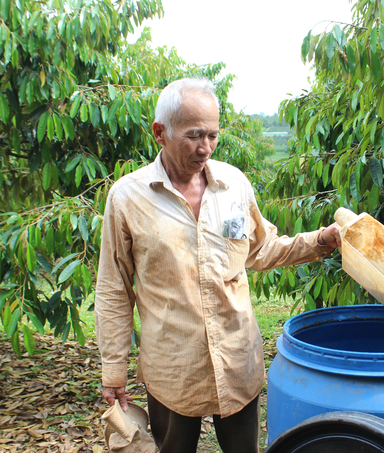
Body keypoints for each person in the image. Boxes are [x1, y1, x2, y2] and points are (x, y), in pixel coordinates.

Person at [95, 77, 341, 453]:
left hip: (237, 358)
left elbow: (262, 250)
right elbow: (114, 287)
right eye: (194, 135)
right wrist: (113, 369)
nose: (205, 147)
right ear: (160, 132)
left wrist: (320, 240)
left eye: (213, 135)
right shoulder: (128, 197)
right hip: (174, 367)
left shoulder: (234, 185)